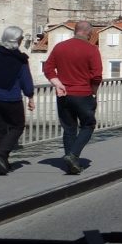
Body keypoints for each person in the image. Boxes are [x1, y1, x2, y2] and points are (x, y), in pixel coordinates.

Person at [43, 21, 102, 175]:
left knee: (69, 128)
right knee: (88, 125)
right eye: (91, 34)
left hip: (63, 95)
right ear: (89, 33)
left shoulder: (60, 47)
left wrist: (57, 84)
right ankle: (73, 155)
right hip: (83, 94)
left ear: (75, 31)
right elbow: (96, 75)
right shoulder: (92, 49)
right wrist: (94, 91)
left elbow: (48, 68)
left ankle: (71, 164)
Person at [0, 26, 35, 175]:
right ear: (17, 40)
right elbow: (25, 80)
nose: (23, 40)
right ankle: (2, 155)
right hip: (10, 97)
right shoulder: (19, 58)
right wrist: (30, 96)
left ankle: (2, 165)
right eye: (22, 38)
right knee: (18, 126)